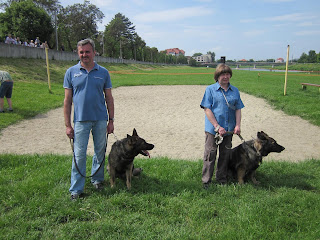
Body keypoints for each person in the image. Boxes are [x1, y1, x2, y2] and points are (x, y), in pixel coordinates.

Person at [64, 38, 114, 200]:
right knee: (79, 155)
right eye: (81, 52)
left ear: (93, 52)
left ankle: (97, 180)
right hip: (80, 121)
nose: (84, 55)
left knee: (100, 152)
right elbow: (67, 100)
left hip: (100, 119)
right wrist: (67, 125)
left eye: (87, 51)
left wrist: (111, 120)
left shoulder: (103, 72)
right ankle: (76, 189)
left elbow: (109, 97)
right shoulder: (71, 72)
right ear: (78, 53)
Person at [200, 63, 244, 188]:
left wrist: (238, 125)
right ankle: (206, 181)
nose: (225, 76)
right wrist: (217, 126)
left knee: (225, 155)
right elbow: (207, 109)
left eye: (227, 74)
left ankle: (221, 179)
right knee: (210, 155)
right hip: (213, 130)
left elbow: (238, 109)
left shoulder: (235, 91)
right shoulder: (210, 89)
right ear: (217, 76)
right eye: (222, 74)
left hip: (229, 130)